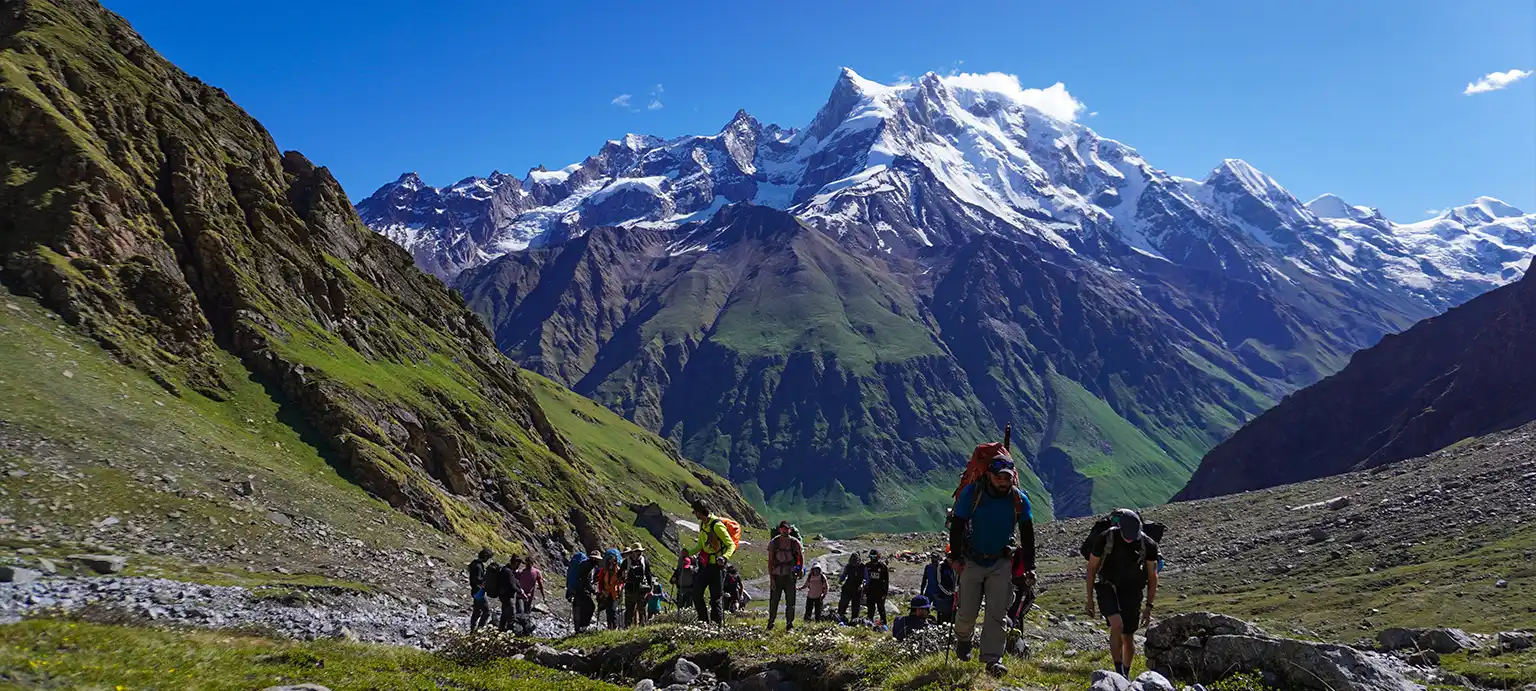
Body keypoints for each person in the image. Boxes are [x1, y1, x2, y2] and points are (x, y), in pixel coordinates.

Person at [948, 453, 1036, 677]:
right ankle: (964, 639)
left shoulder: (1019, 500)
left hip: (1000, 561)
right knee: (967, 612)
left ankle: (993, 659)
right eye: (999, 477)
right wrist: (955, 557)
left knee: (997, 613)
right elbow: (957, 525)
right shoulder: (973, 493)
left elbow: (1027, 535)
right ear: (989, 475)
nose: (1003, 481)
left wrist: (1030, 566)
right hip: (971, 560)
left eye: (1007, 478)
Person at [1086, 508, 1160, 679]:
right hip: (1107, 585)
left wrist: (1149, 606)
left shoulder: (1148, 545)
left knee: (1128, 635)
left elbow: (1152, 576)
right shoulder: (1106, 538)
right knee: (1117, 625)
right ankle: (1118, 671)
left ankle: (1125, 673)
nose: (1129, 539)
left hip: (1132, 590)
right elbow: (1092, 568)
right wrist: (1089, 599)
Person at [688, 500, 737, 625]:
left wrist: (724, 557)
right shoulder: (702, 524)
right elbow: (700, 545)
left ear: (700, 512)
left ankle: (717, 625)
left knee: (715, 598)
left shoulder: (716, 525)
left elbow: (731, 545)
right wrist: (688, 553)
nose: (695, 514)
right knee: (696, 594)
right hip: (704, 565)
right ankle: (704, 622)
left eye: (695, 512)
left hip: (717, 567)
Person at [766, 520, 804, 631]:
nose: (784, 531)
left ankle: (789, 624)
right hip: (777, 575)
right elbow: (770, 561)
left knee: (790, 602)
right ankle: (771, 622)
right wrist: (771, 578)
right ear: (780, 529)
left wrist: (800, 569)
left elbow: (800, 557)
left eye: (786, 529)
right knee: (774, 601)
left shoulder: (795, 542)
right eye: (783, 529)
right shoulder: (774, 542)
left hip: (790, 575)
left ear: (790, 530)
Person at [623, 543, 656, 627]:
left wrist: (650, 588)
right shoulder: (626, 561)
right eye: (637, 551)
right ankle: (627, 627)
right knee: (630, 610)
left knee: (642, 609)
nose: (639, 553)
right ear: (632, 552)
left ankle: (642, 626)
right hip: (630, 589)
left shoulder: (645, 561)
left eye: (640, 551)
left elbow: (648, 574)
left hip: (641, 589)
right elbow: (620, 573)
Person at [921, 552, 958, 624]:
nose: (933, 559)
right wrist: (922, 591)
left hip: (938, 591)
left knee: (940, 609)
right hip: (931, 590)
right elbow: (925, 580)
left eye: (935, 558)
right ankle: (924, 621)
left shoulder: (941, 567)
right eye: (932, 558)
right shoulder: (930, 567)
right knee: (926, 607)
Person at [595, 549, 625, 630]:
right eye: (610, 560)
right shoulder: (604, 571)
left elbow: (621, 581)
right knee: (609, 611)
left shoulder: (618, 570)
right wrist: (601, 591)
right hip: (607, 593)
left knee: (613, 610)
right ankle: (610, 627)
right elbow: (601, 582)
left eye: (613, 561)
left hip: (615, 594)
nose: (612, 562)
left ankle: (613, 627)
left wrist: (620, 588)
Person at [467, 548, 494, 633]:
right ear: (485, 556)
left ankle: (472, 629)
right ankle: (479, 629)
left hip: (475, 590)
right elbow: (477, 580)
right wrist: (487, 577)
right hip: (479, 591)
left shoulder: (474, 563)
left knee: (477, 610)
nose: (488, 560)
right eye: (488, 557)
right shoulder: (478, 566)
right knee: (486, 611)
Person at [573, 549, 600, 632]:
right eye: (596, 559)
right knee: (591, 606)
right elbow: (586, 581)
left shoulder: (587, 565)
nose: (597, 561)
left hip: (578, 589)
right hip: (583, 590)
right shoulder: (588, 566)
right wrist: (593, 591)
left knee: (581, 608)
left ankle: (579, 627)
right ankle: (584, 626)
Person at [864, 549, 891, 626]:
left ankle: (884, 624)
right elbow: (865, 579)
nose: (873, 558)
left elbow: (886, 581)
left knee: (881, 609)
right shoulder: (867, 566)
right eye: (871, 556)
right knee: (870, 609)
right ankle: (870, 624)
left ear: (878, 557)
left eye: (874, 556)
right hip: (870, 592)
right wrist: (865, 590)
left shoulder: (883, 567)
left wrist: (885, 593)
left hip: (880, 592)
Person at [836, 552, 864, 623]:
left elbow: (865, 578)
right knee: (843, 604)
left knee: (855, 606)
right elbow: (844, 575)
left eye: (855, 561)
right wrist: (840, 581)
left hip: (857, 589)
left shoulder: (863, 567)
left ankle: (854, 621)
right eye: (852, 561)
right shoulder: (848, 566)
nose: (854, 563)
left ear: (858, 560)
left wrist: (862, 584)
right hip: (847, 587)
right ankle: (840, 617)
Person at [497, 557, 520, 632]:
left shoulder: (504, 569)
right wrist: (521, 591)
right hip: (508, 596)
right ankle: (510, 632)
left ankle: (501, 628)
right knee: (511, 615)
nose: (518, 566)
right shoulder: (508, 572)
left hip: (502, 595)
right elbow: (512, 586)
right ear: (515, 563)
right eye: (517, 564)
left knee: (504, 613)